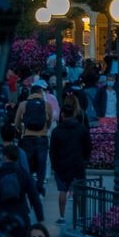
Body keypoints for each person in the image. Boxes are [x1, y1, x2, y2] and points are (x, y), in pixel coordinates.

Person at [48, 95, 91, 225]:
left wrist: (55, 166)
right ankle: (81, 216)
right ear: (73, 114)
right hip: (78, 164)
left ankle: (62, 216)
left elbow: (52, 151)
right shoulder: (81, 129)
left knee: (63, 191)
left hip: (62, 165)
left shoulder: (57, 131)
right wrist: (85, 160)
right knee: (78, 191)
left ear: (62, 115)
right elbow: (88, 147)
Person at [14, 81, 56, 195]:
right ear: (41, 93)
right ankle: (40, 187)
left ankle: (28, 186)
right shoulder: (47, 105)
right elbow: (49, 120)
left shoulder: (23, 104)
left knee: (27, 162)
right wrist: (45, 129)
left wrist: (20, 130)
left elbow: (17, 121)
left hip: (27, 136)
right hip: (42, 137)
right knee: (41, 163)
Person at [0, 143, 43, 233]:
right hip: (21, 215)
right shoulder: (23, 173)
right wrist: (40, 218)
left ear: (5, 157)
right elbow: (34, 197)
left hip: (2, 217)